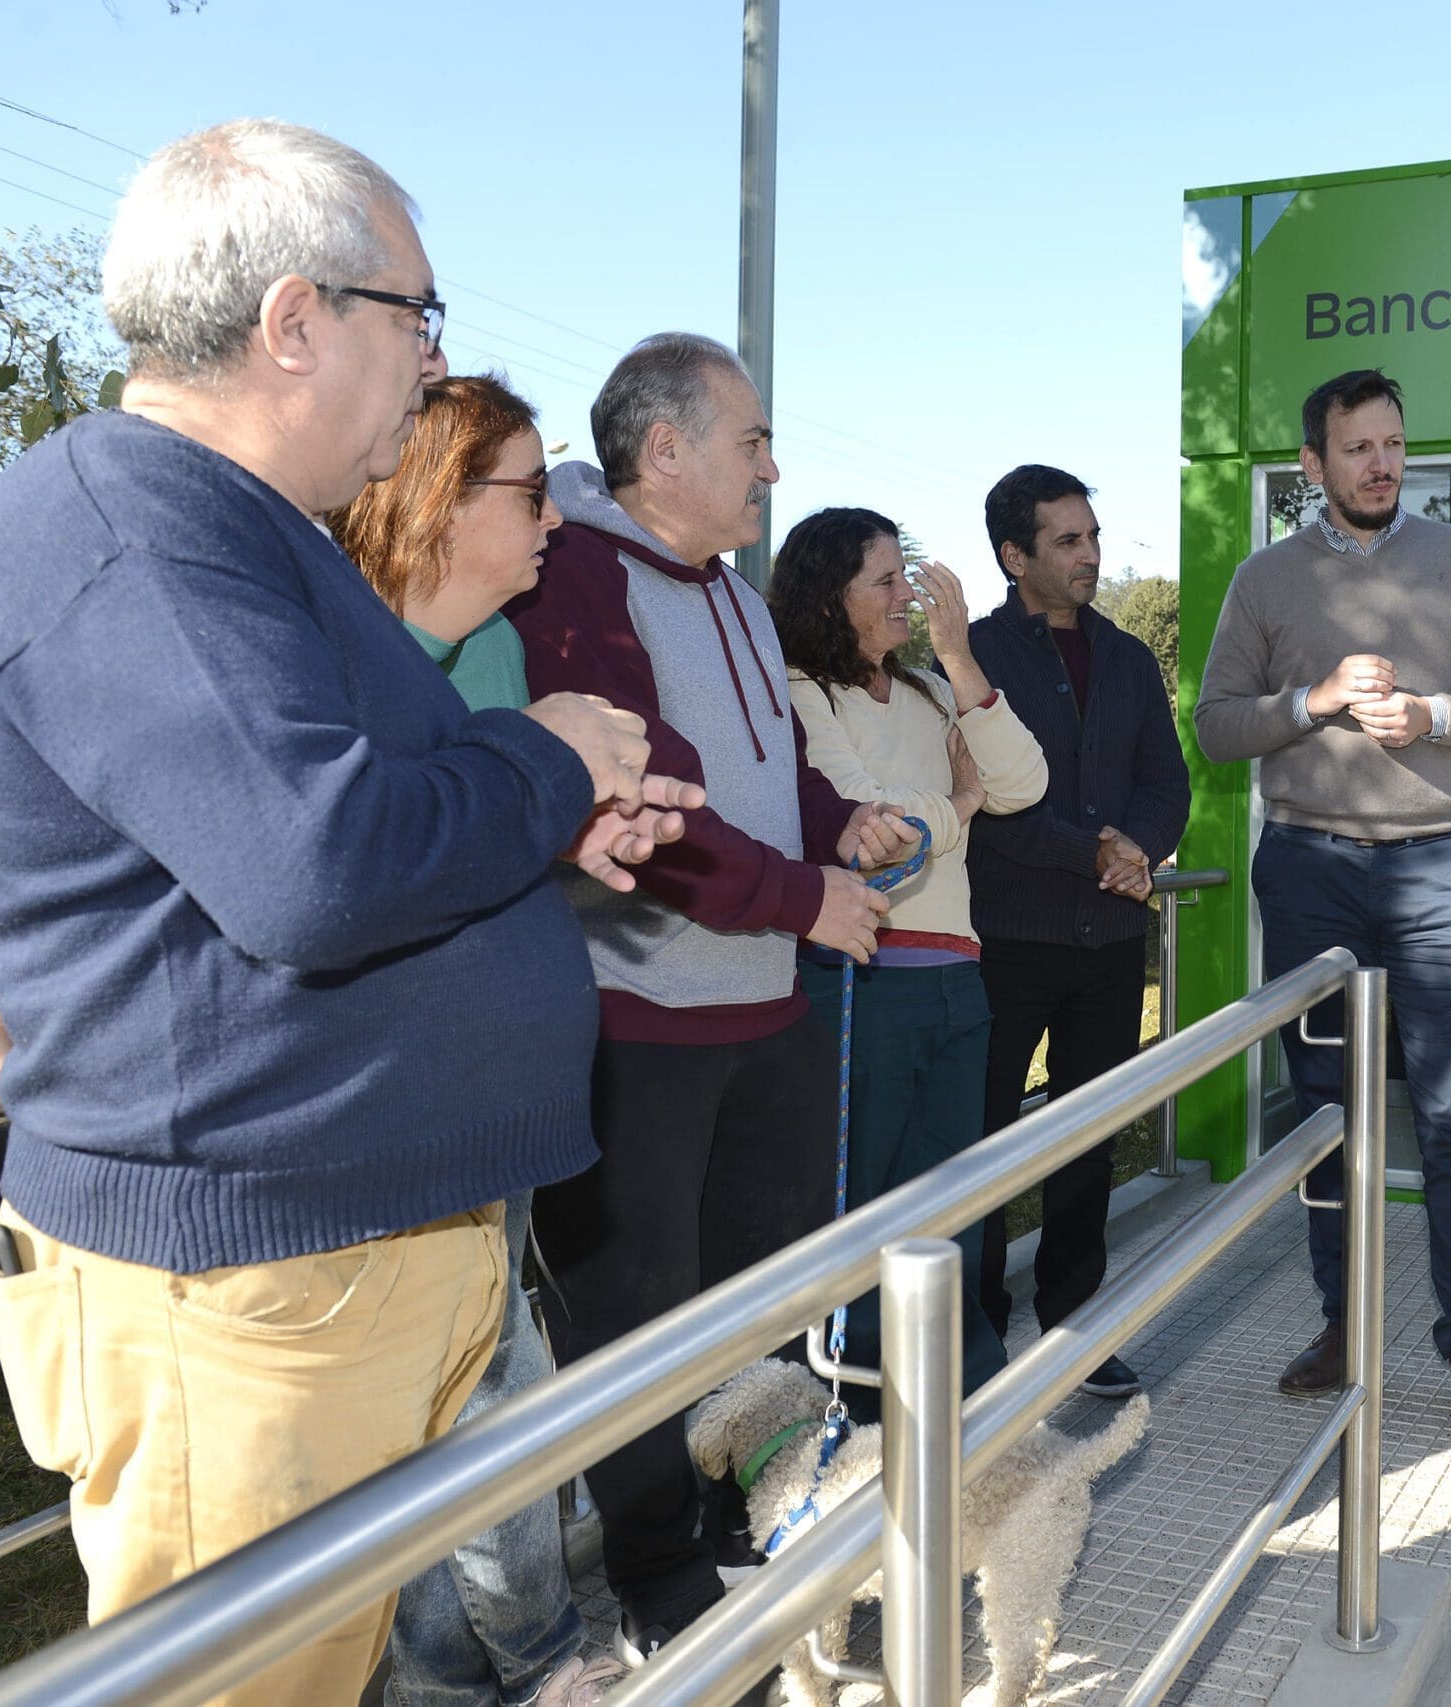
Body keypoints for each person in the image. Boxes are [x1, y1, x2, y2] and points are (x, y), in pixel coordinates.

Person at [0, 120, 693, 1707]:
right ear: (294, 320)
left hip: (347, 1262)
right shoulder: (126, 529)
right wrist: (542, 760)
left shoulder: (245, 542)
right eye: (417, 316)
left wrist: (540, 820)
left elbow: (333, 822)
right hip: (251, 1294)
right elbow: (317, 863)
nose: (430, 364)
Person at [507, 332, 912, 1664]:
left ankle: (761, 1532)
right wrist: (807, 900)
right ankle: (662, 1581)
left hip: (767, 1015)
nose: (773, 467)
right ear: (664, 448)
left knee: (761, 1302)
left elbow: (767, 774)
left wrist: (839, 826)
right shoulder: (573, 574)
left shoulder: (734, 592)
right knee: (635, 1324)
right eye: (752, 441)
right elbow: (647, 811)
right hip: (636, 1030)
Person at [330, 374, 627, 1706]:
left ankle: (466, 1676)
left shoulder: (501, 647)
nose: (558, 513)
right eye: (529, 485)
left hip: (501, 1098)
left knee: (484, 1394)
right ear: (442, 503)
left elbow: (500, 843)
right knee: (483, 1397)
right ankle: (538, 1662)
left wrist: (591, 830)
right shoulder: (331, 656)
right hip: (394, 1109)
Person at [1192, 368, 1451, 1455]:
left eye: (1393, 444)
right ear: (1313, 464)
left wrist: (1433, 715)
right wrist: (1316, 701)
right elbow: (1214, 727)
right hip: (1309, 871)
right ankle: (1345, 1325)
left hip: (1439, 866)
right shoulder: (1263, 580)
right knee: (1326, 1117)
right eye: (1357, 449)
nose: (1381, 464)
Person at [767, 509, 1048, 1402]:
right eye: (884, 581)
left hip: (958, 984)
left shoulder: (932, 691)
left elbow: (1023, 781)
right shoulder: (800, 690)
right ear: (829, 594)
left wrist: (962, 662)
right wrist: (957, 805)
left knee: (950, 1215)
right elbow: (870, 823)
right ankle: (851, 1417)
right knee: (865, 1209)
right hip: (862, 983)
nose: (907, 596)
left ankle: (961, 1412)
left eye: (907, 575)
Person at [965, 465, 1188, 1397]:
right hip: (1007, 939)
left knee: (1088, 1141)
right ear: (1016, 556)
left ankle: (1075, 1328)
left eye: (1092, 535)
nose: (1091, 553)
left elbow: (1165, 783)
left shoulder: (1131, 658)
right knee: (980, 1149)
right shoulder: (970, 657)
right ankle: (971, 1341)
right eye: (1067, 540)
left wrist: (1136, 846)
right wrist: (1090, 851)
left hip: (1108, 943)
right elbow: (984, 806)